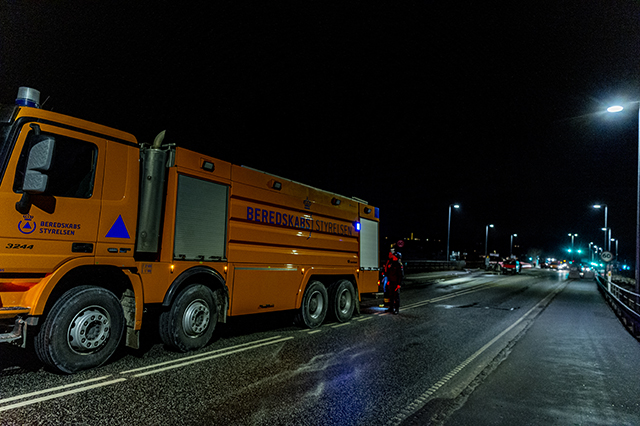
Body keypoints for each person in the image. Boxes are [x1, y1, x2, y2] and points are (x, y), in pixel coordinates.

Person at [383, 240, 404, 314]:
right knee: (390, 295)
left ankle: (396, 309)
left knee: (396, 296)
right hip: (391, 281)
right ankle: (391, 308)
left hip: (396, 282)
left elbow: (400, 275)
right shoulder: (390, 263)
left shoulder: (398, 264)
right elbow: (388, 272)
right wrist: (388, 280)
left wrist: (399, 284)